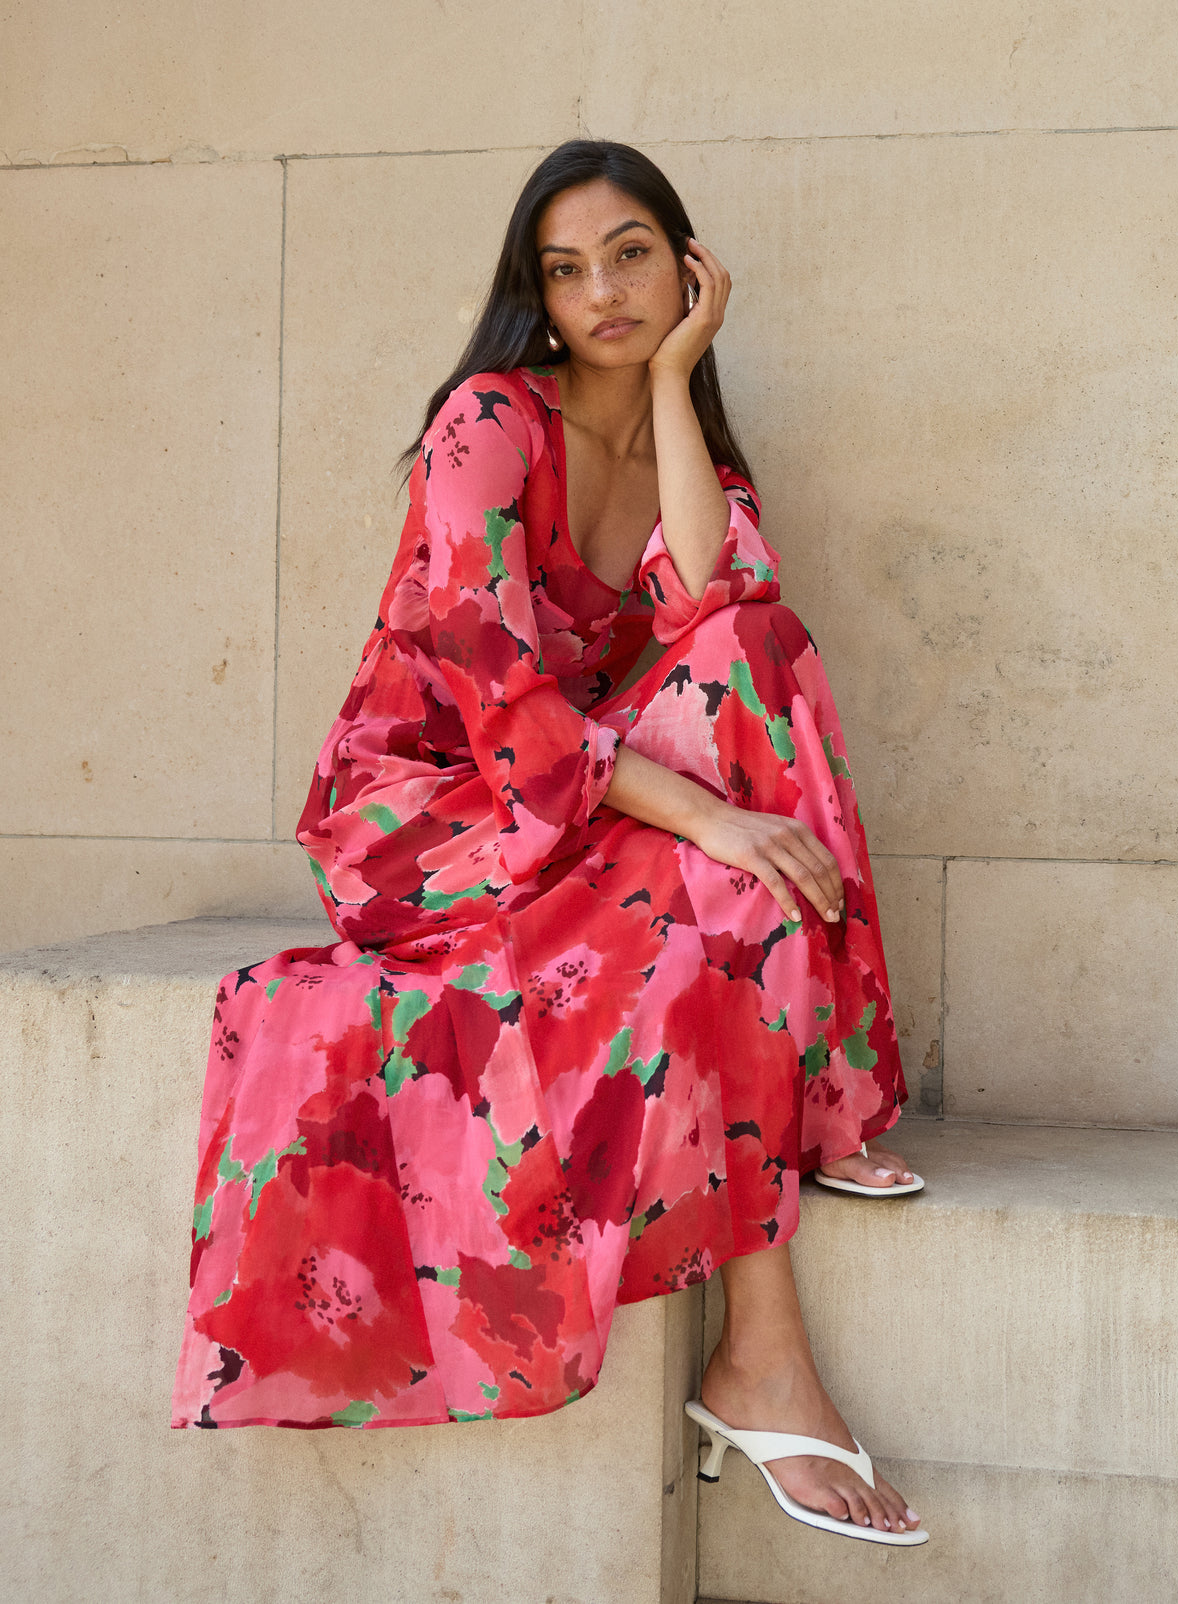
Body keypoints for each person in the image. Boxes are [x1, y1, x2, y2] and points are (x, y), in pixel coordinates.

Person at [172, 139, 927, 1547]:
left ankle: (776, 1294)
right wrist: (711, 813)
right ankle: (770, 1325)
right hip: (435, 806)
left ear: (686, 269)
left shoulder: (680, 431)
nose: (603, 293)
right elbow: (504, 704)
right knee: (720, 868)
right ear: (537, 295)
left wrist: (674, 382)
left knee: (757, 650)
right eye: (567, 271)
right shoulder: (487, 422)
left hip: (598, 795)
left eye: (632, 256)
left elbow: (719, 601)